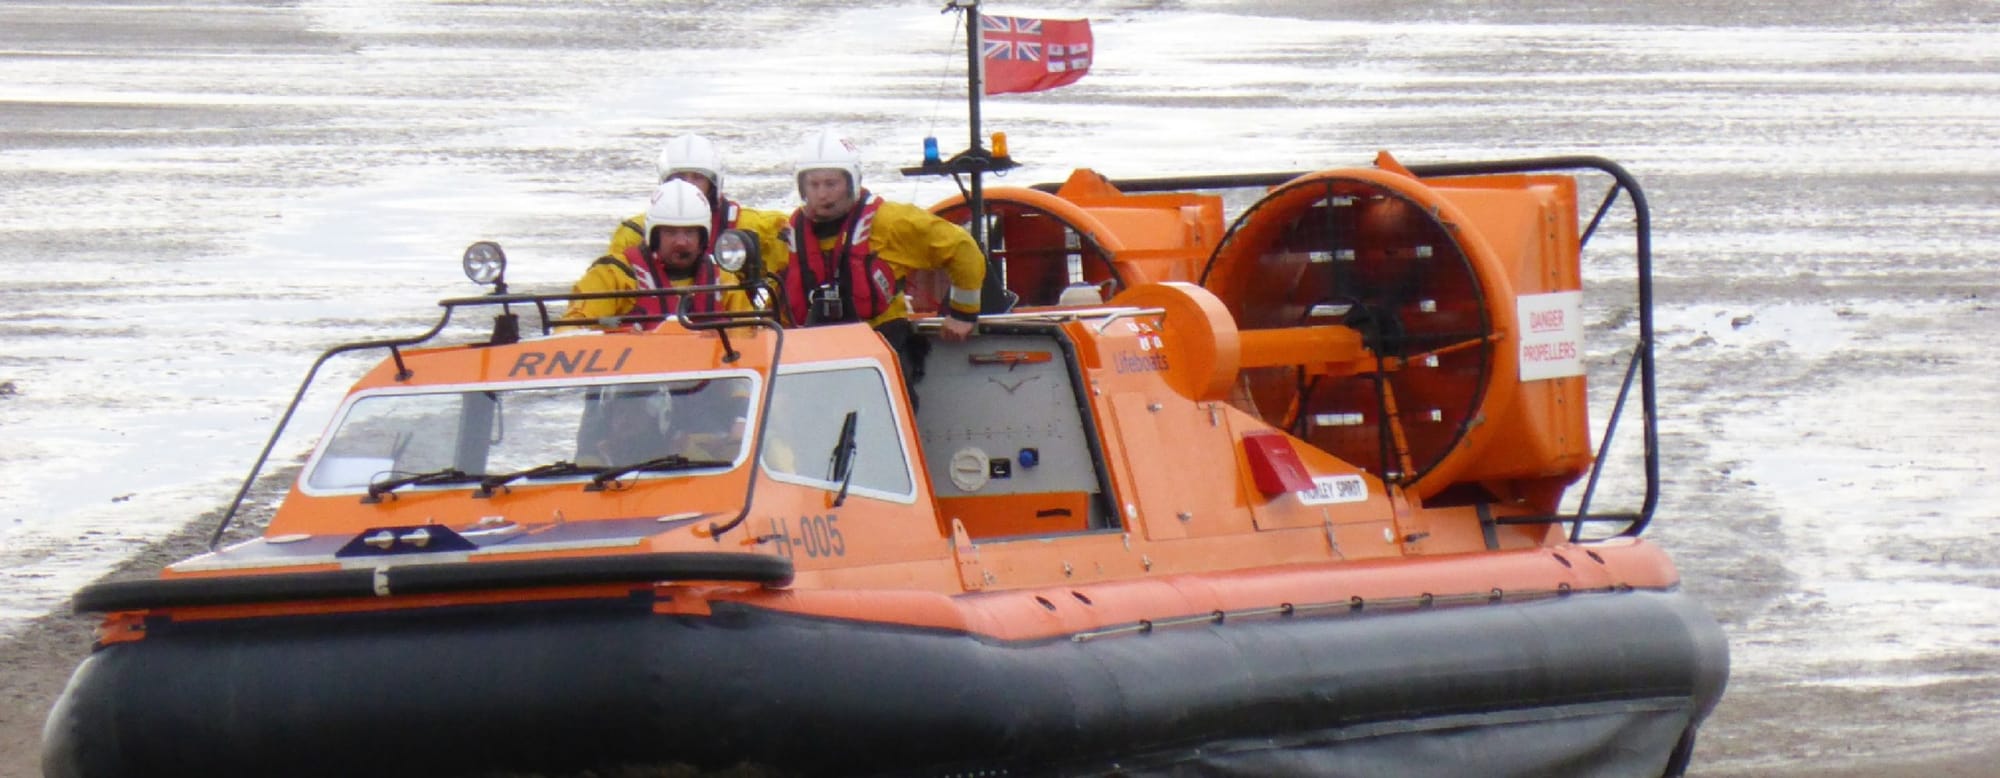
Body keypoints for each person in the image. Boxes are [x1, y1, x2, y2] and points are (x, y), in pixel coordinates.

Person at [775, 127, 986, 385]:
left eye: (831, 184)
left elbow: (962, 248)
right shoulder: (786, 232)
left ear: (852, 183)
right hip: (815, 346)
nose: (822, 194)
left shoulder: (891, 222)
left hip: (881, 341)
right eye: (814, 184)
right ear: (802, 186)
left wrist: (963, 314)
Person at [606, 134, 790, 287]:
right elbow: (612, 285)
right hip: (653, 327)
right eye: (679, 178)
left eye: (697, 178)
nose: (688, 186)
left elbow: (789, 275)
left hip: (725, 322)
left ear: (713, 185)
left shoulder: (756, 228)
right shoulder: (632, 234)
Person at [562, 179, 754, 324]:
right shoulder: (614, 277)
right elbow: (572, 332)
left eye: (689, 232)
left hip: (712, 376)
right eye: (670, 232)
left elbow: (749, 339)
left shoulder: (723, 283)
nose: (681, 242)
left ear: (703, 237)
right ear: (654, 236)